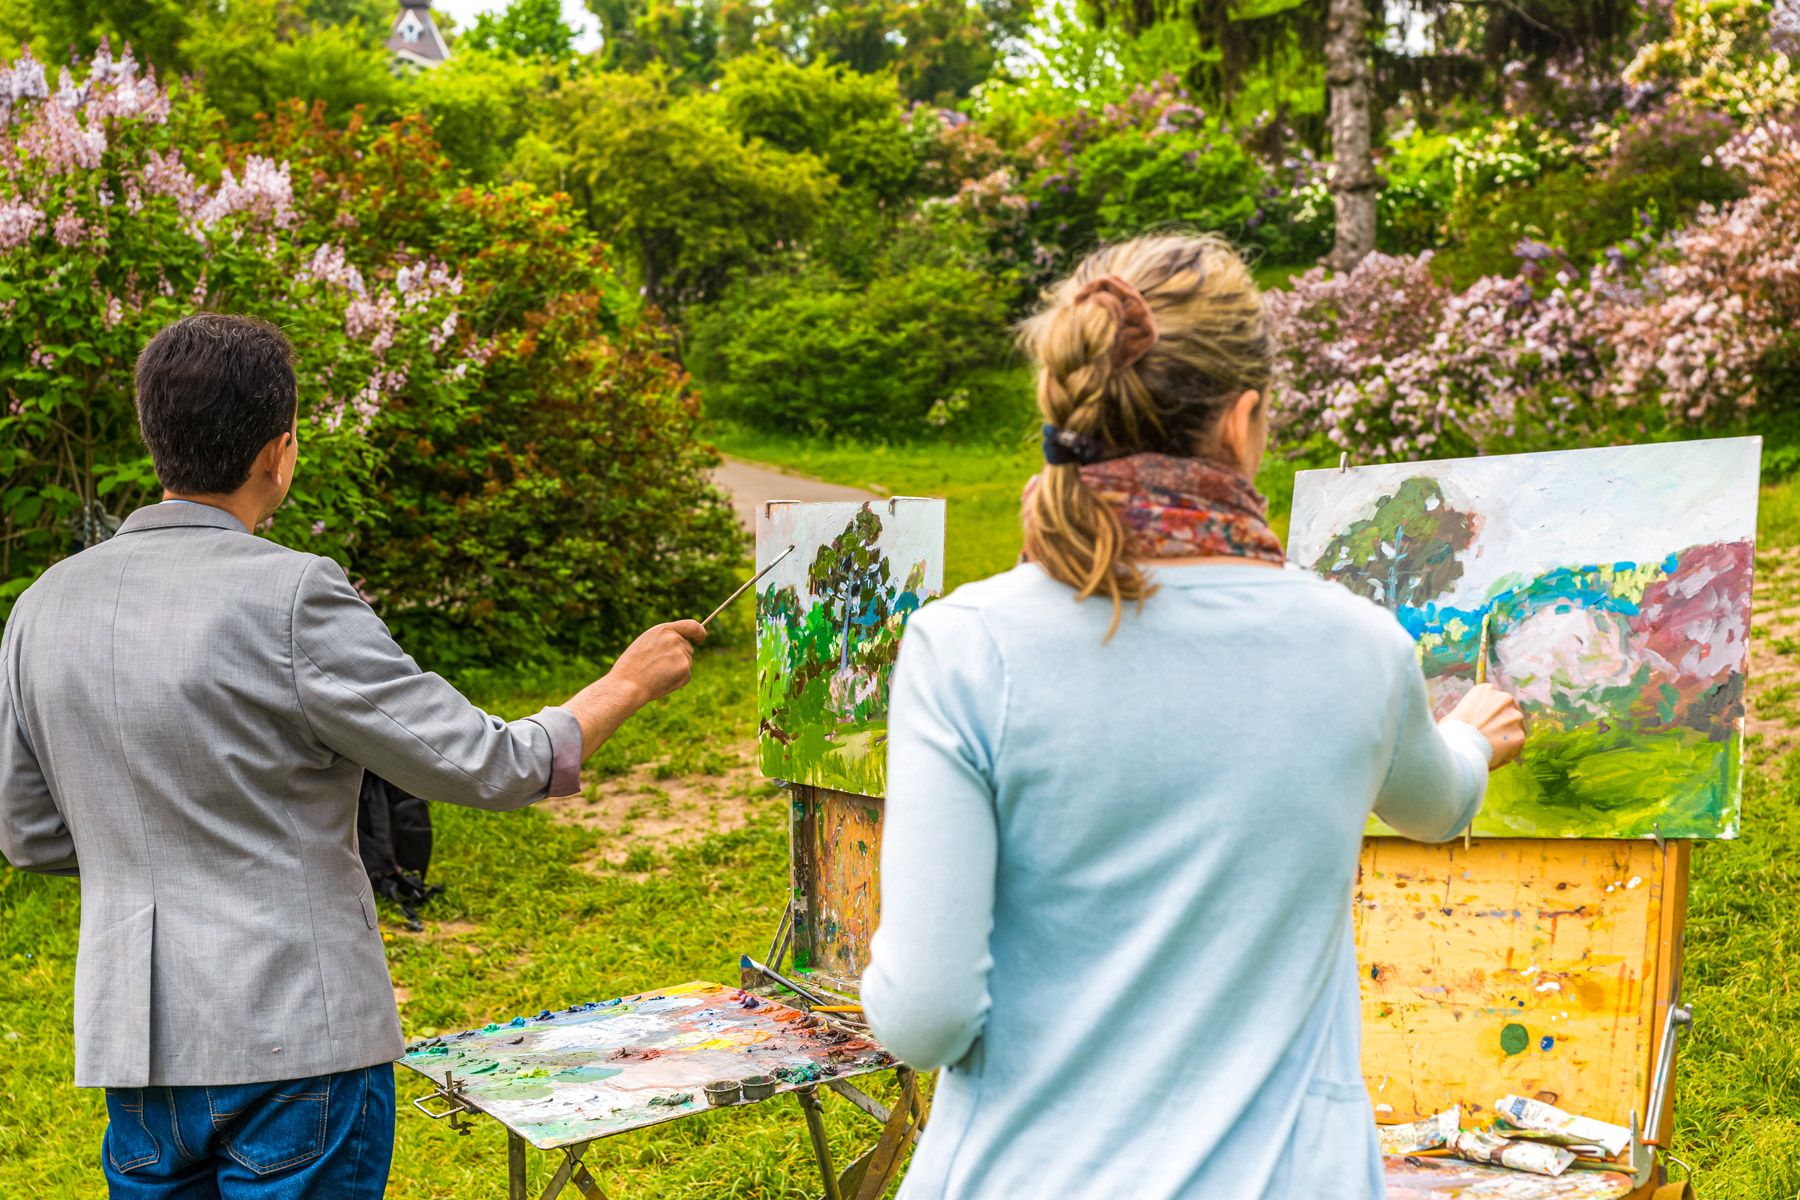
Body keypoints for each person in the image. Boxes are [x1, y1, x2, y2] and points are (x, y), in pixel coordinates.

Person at [861, 233, 1525, 1199]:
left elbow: (923, 1019)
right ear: (1245, 421)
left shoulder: (965, 646)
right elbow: (1435, 803)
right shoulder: (1359, 644)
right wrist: (1473, 734)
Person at [0, 314, 707, 1199]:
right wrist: (624, 684)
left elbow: (30, 835)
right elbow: (489, 764)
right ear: (280, 451)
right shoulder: (291, 593)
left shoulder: (41, 605)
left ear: (157, 441)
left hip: (136, 1055)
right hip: (297, 1040)